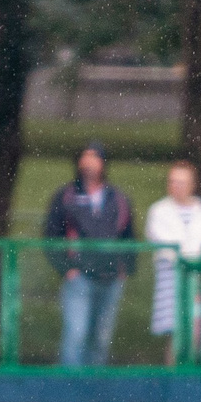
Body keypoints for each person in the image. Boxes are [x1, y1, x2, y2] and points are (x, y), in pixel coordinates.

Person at [44, 141, 135, 367]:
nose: (90, 163)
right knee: (76, 334)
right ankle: (70, 392)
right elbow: (51, 237)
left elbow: (128, 236)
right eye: (85, 157)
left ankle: (94, 393)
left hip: (111, 277)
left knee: (101, 339)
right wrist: (67, 268)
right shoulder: (66, 197)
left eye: (95, 158)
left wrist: (126, 267)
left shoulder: (118, 199)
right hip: (80, 278)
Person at [145, 159, 201, 368]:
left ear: (193, 184)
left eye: (182, 182)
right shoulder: (158, 212)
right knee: (177, 338)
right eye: (172, 181)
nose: (176, 187)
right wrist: (191, 259)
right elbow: (166, 247)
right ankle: (178, 395)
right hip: (173, 281)